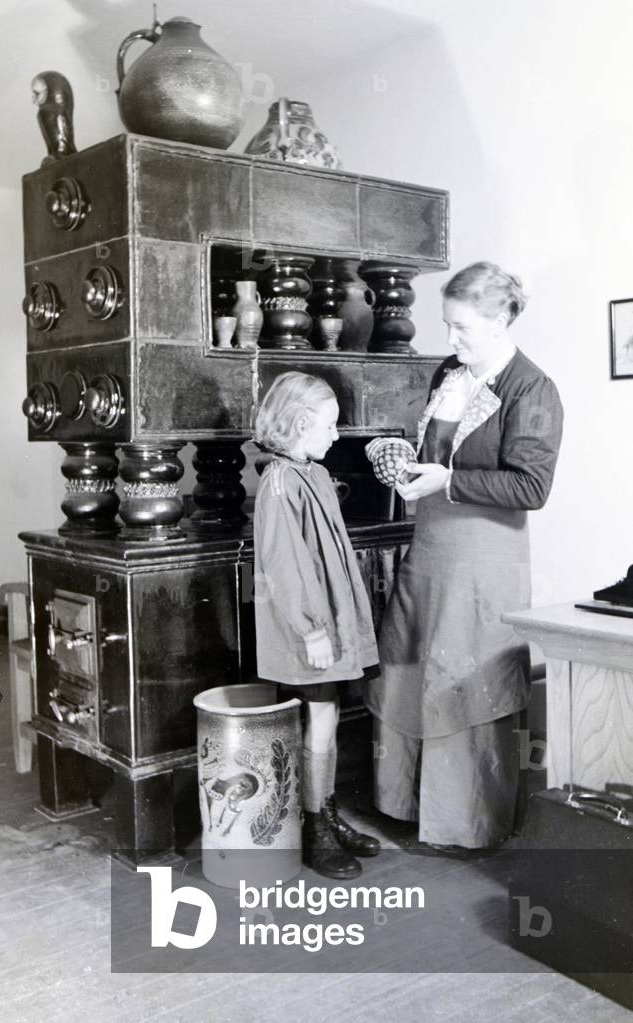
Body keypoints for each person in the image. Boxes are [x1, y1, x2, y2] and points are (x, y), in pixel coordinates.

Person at [365, 261, 564, 850]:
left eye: (463, 328)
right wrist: (407, 468)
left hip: (484, 557)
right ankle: (402, 802)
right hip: (430, 548)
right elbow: (439, 454)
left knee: (465, 670)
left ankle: (464, 821)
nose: (450, 340)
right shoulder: (448, 374)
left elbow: (532, 488)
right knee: (410, 658)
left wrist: (445, 481)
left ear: (501, 320)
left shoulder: (532, 389)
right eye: (446, 325)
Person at [253, 371, 381, 878]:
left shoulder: (314, 475)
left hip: (329, 622)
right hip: (308, 630)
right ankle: (315, 827)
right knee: (320, 721)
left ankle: (324, 813)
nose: (336, 434)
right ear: (301, 423)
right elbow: (284, 566)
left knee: (327, 719)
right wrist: (312, 629)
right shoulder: (280, 481)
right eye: (329, 425)